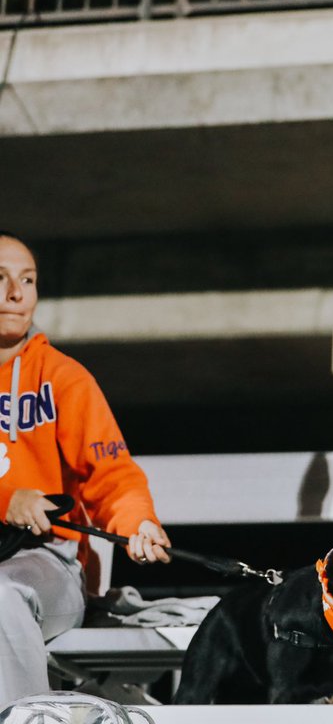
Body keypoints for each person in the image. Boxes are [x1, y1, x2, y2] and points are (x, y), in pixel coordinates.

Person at [0, 231, 171, 708]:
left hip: (45, 566)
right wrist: (5, 500)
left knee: (1, 595)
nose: (16, 293)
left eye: (28, 280)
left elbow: (111, 475)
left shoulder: (63, 378)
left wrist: (137, 522)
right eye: (0, 278)